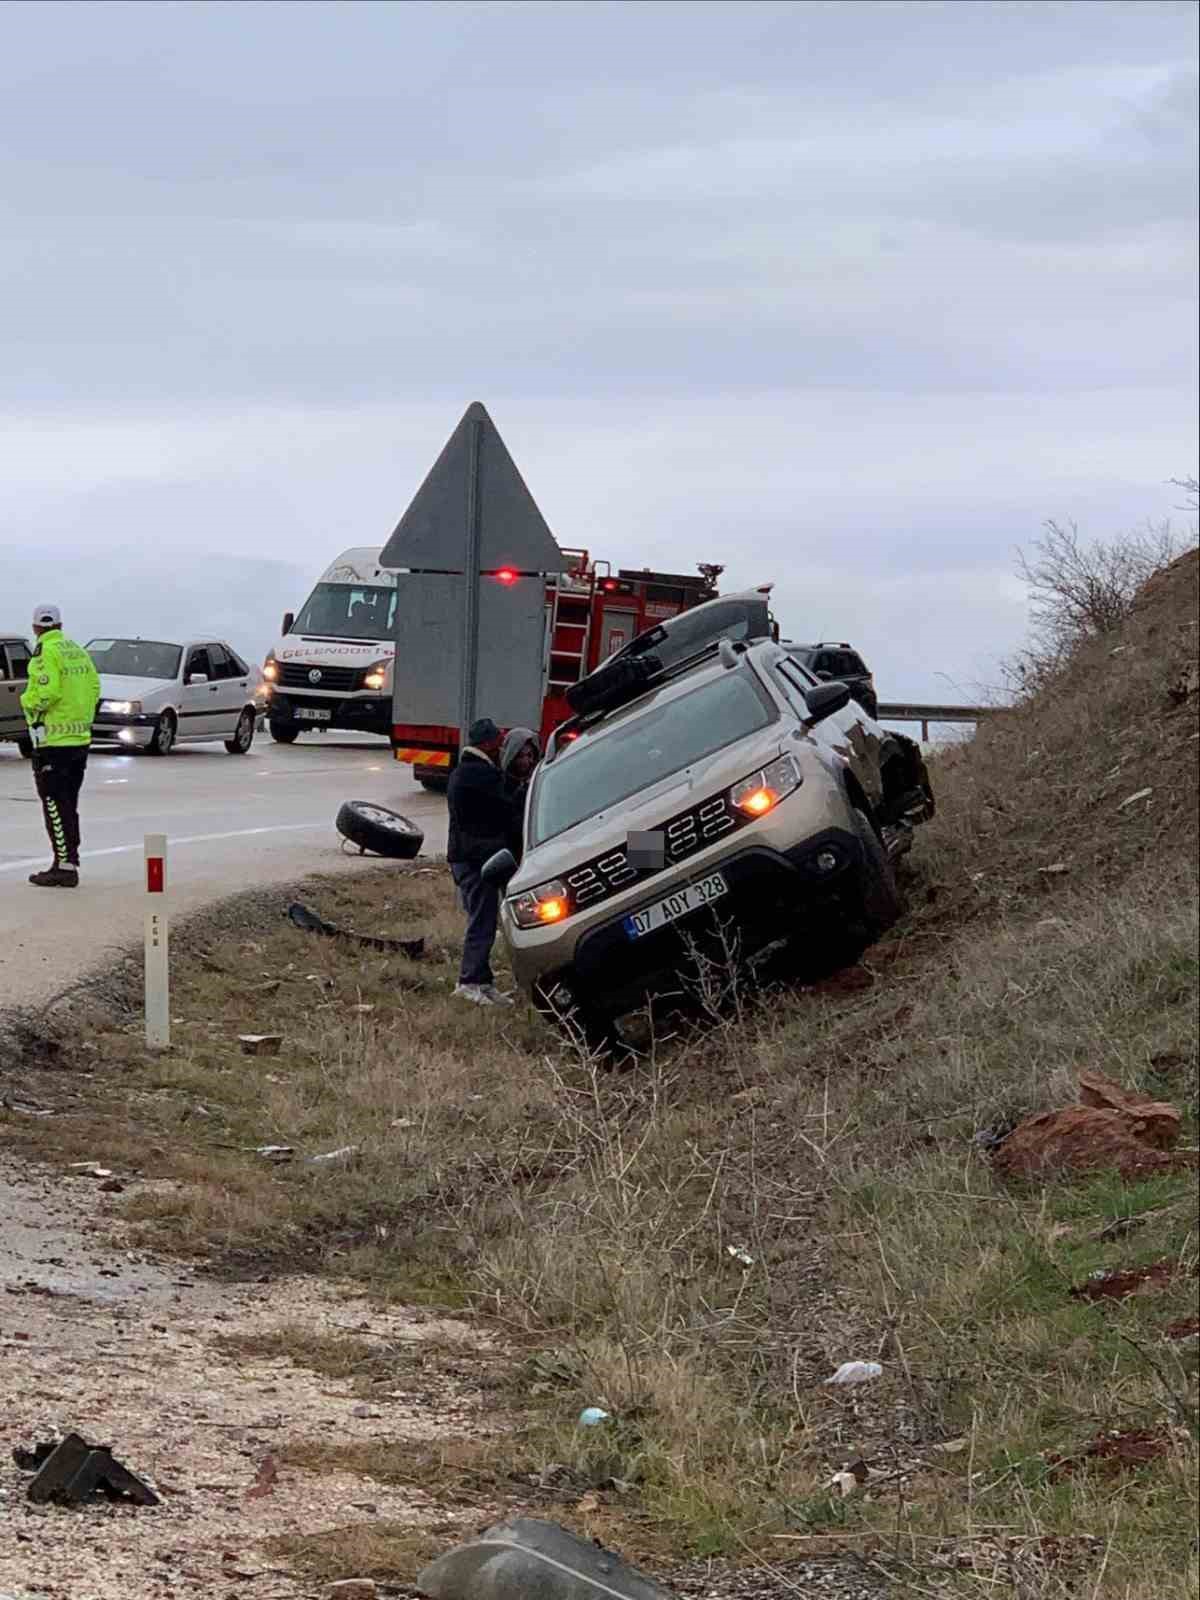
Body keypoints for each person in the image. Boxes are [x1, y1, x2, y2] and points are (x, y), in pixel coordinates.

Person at [20, 604, 101, 889]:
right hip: (79, 739)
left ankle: (64, 867)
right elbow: (95, 687)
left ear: (36, 628)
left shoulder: (45, 652)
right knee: (69, 802)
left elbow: (48, 692)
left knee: (54, 802)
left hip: (53, 742)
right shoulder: (77, 650)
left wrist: (27, 702)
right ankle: (68, 861)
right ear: (60, 625)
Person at [446, 717, 520, 1006]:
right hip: (476, 861)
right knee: (482, 923)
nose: (501, 748)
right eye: (498, 743)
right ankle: (469, 982)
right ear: (488, 744)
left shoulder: (464, 771)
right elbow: (508, 808)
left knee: (484, 921)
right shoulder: (481, 775)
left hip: (467, 858)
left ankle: (483, 982)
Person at [499, 725, 540, 862]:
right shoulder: (499, 784)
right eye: (521, 756)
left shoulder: (537, 783)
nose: (526, 761)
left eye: (530, 755)